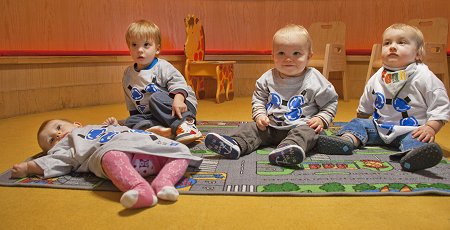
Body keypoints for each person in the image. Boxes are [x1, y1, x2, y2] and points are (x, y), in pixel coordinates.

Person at [204, 24, 349, 167]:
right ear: (272, 55)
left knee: (308, 133)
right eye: (281, 53)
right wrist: (260, 115)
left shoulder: (315, 79)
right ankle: (235, 144)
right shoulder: (267, 78)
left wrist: (321, 119)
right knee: (250, 128)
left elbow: (330, 102)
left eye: (296, 53)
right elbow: (259, 99)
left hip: (300, 126)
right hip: (270, 127)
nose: (288, 59)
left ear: (309, 56)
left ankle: (287, 149)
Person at [319, 23, 450, 172]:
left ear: (418, 53)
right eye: (387, 43)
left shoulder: (424, 77)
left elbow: (440, 103)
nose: (392, 47)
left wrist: (431, 127)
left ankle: (413, 156)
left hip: (411, 129)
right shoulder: (378, 76)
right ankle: (346, 142)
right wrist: (362, 115)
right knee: (357, 124)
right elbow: (368, 96)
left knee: (418, 139)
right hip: (380, 127)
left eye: (401, 43)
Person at [10, 118, 203, 209]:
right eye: (51, 140)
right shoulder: (66, 147)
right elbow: (53, 161)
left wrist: (112, 124)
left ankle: (164, 182)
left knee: (180, 151)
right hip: (118, 158)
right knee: (111, 156)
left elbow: (122, 129)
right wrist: (27, 167)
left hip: (146, 148)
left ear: (77, 124)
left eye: (59, 127)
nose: (58, 135)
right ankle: (140, 190)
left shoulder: (94, 126)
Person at [122, 19, 201, 144]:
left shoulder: (162, 66)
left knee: (155, 98)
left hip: (180, 105)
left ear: (157, 49)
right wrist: (138, 120)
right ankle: (161, 130)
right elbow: (132, 105)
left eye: (146, 45)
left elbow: (179, 83)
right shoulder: (128, 75)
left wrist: (178, 99)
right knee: (129, 122)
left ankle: (187, 124)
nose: (140, 50)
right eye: (134, 45)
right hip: (155, 114)